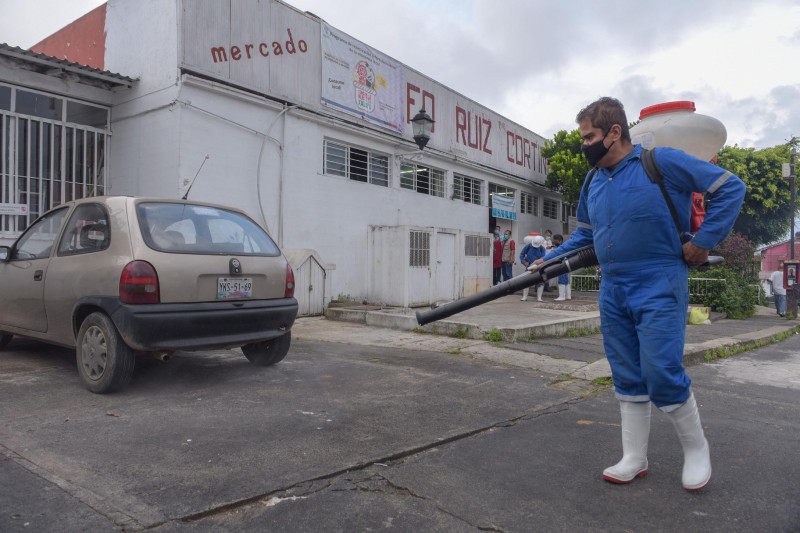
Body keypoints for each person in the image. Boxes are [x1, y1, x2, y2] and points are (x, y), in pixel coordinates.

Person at [530, 97, 745, 491]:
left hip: (659, 282)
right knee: (626, 372)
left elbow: (731, 187)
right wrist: (547, 260)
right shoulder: (593, 180)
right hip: (613, 287)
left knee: (661, 370)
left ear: (615, 132)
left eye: (589, 136)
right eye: (582, 138)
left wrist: (702, 242)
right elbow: (584, 236)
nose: (584, 145)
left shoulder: (659, 162)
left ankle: (697, 450)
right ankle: (634, 456)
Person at [519, 233, 547, 301]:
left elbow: (543, 258)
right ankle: (524, 296)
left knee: (540, 281)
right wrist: (524, 262)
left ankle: (539, 297)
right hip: (529, 266)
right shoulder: (528, 246)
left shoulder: (542, 248)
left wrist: (538, 264)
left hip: (538, 267)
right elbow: (521, 255)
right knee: (526, 281)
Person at [551, 234, 571, 301]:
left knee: (561, 280)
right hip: (567, 264)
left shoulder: (560, 248)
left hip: (561, 265)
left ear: (560, 241)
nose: (554, 242)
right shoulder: (565, 246)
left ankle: (562, 296)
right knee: (566, 281)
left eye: (555, 241)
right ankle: (568, 296)